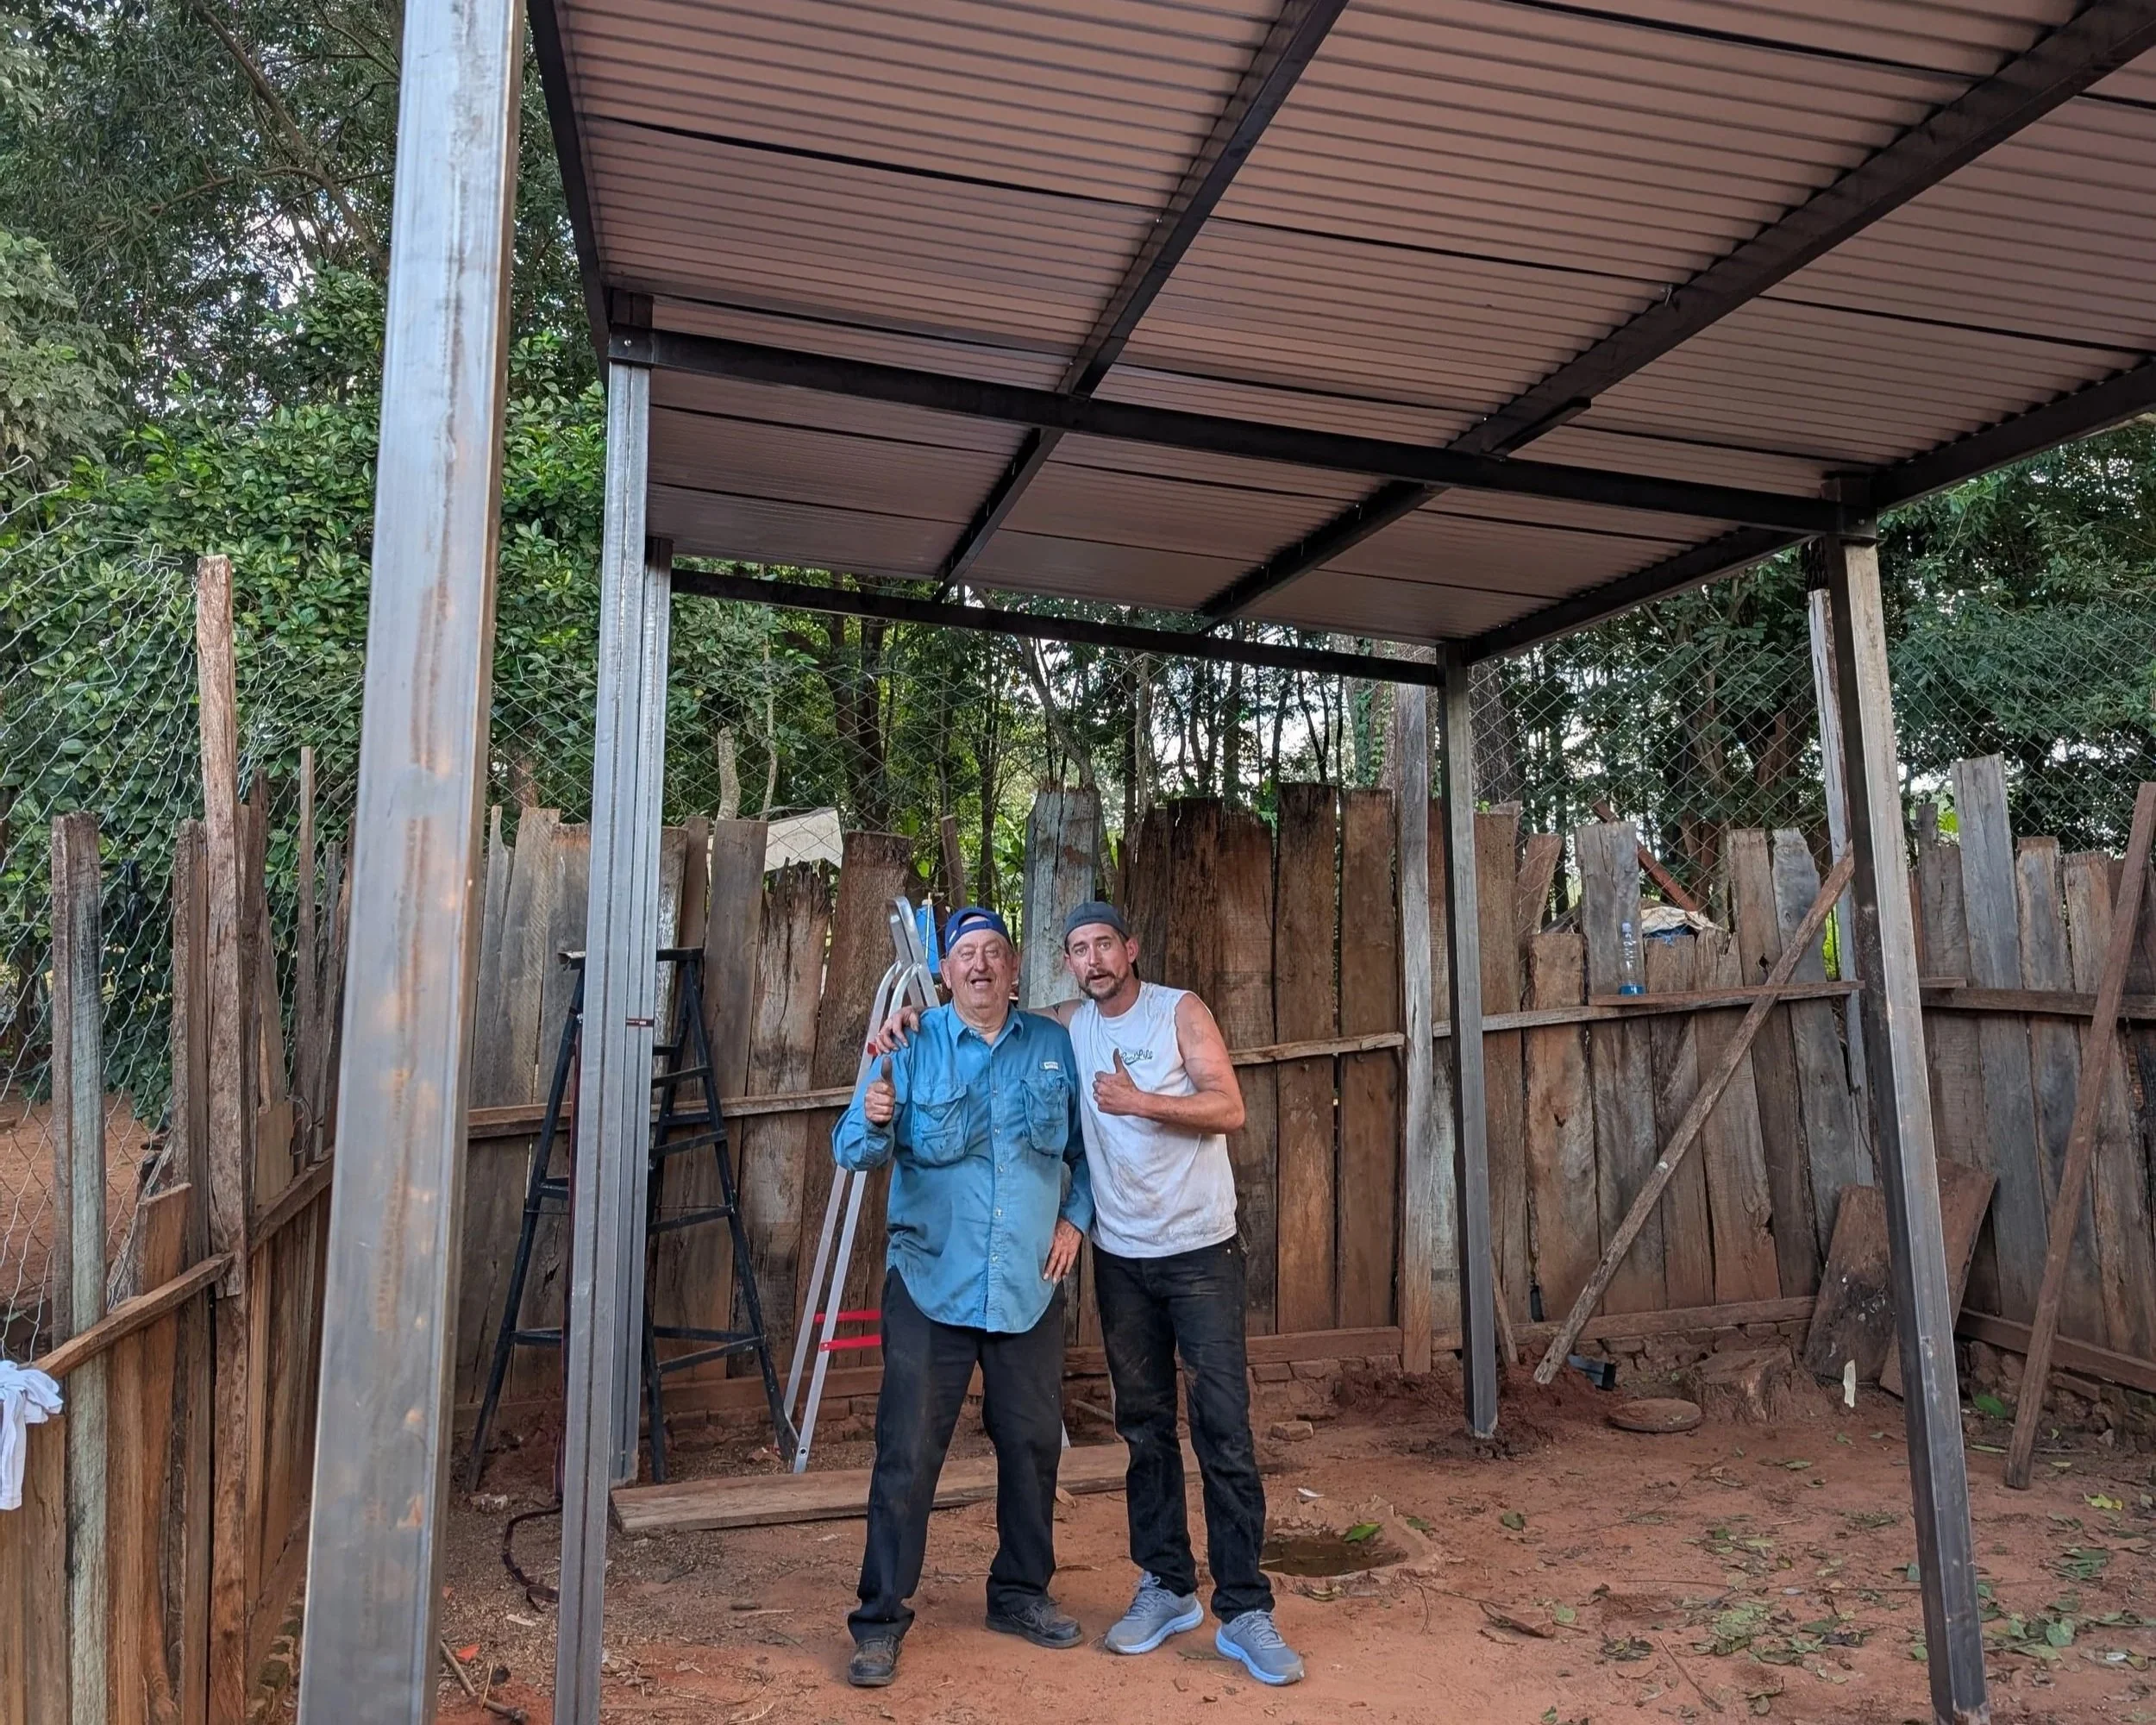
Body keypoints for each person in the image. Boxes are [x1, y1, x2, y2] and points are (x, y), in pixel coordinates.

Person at [868, 900, 1303, 1686]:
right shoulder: (1045, 1028)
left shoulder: (1174, 1013)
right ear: (1066, 964)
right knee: (1141, 1429)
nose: (1095, 958)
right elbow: (979, 1016)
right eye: (1079, 948)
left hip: (1193, 1252)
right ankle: (1166, 1585)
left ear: (1130, 948)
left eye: (1105, 943)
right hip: (1107, 1261)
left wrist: (1129, 1121)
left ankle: (1243, 1608)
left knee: (1217, 1430)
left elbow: (1227, 1108)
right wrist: (904, 1025)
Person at [830, 906, 1093, 1690]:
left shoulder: (1053, 1047)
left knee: (1033, 1447)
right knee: (907, 1456)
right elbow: (852, 1148)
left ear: (1015, 971)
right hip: (930, 1282)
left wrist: (1075, 1222)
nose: (980, 966)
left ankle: (1019, 1592)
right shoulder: (907, 1046)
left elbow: (1084, 1151)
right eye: (965, 955)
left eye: (994, 953)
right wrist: (876, 1119)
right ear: (946, 974)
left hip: (1028, 1286)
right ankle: (879, 1620)